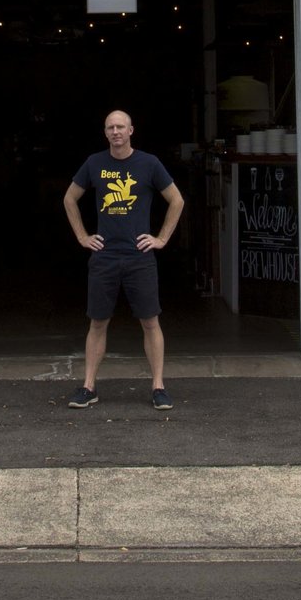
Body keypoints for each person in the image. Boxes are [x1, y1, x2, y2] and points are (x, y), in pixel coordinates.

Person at [61, 108, 184, 410]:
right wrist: (82, 236)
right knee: (98, 322)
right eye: (110, 127)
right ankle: (89, 387)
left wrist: (162, 238)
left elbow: (177, 200)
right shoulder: (94, 163)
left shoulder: (148, 163)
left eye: (120, 127)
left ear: (131, 130)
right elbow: (69, 198)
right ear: (105, 133)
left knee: (150, 322)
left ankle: (158, 387)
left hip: (139, 257)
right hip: (104, 257)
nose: (115, 132)